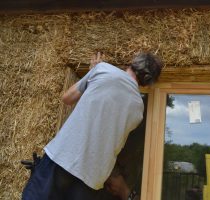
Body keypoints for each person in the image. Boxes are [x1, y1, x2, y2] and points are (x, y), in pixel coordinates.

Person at [22, 52, 163, 200]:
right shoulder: (139, 110)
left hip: (64, 158)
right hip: (93, 177)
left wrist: (92, 73)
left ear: (133, 62)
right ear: (148, 82)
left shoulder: (103, 69)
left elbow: (67, 98)